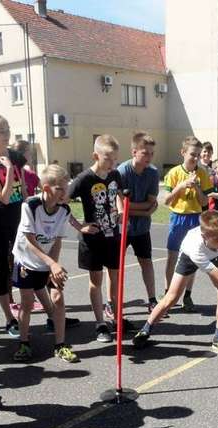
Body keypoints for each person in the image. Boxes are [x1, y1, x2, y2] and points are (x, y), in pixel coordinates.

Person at [133, 209, 218, 356]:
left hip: (214, 254)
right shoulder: (194, 246)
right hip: (189, 257)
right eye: (217, 238)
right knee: (172, 297)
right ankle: (145, 330)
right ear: (204, 236)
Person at [12, 164, 92, 363]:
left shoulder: (64, 210)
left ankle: (60, 345)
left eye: (67, 188)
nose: (66, 193)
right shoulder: (30, 206)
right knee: (27, 303)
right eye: (61, 189)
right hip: (26, 260)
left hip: (47, 261)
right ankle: (24, 343)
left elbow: (56, 241)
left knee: (58, 298)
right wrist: (52, 264)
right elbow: (30, 242)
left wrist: (52, 266)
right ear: (47, 188)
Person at [67, 134, 129, 343]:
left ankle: (117, 318)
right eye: (108, 159)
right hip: (93, 240)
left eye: (115, 159)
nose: (112, 164)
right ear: (95, 156)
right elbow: (61, 202)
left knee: (115, 278)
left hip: (113, 236)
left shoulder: (115, 174)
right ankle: (100, 324)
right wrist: (80, 226)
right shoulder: (84, 179)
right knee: (96, 281)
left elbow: (119, 196)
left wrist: (121, 210)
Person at [0, 114, 33, 338]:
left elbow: (24, 189)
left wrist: (30, 208)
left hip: (18, 217)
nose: (6, 134)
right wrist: (9, 170)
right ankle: (9, 319)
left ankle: (33, 312)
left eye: (7, 129)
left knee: (26, 263)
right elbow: (3, 197)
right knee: (2, 268)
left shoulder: (16, 156)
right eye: (1, 130)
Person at [111, 131, 160, 314]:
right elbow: (119, 205)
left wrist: (139, 209)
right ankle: (110, 302)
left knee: (146, 262)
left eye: (152, 153)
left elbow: (151, 202)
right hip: (122, 227)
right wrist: (144, 211)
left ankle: (152, 300)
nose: (149, 157)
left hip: (142, 228)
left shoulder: (153, 173)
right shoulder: (121, 172)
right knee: (115, 266)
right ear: (134, 152)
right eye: (145, 153)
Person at [163, 136, 213, 311]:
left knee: (193, 258)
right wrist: (182, 185)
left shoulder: (203, 173)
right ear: (183, 152)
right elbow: (167, 201)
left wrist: (197, 187)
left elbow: (205, 201)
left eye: (198, 155)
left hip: (195, 218)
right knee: (172, 257)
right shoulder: (174, 173)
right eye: (192, 154)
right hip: (178, 218)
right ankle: (168, 293)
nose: (196, 158)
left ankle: (187, 296)